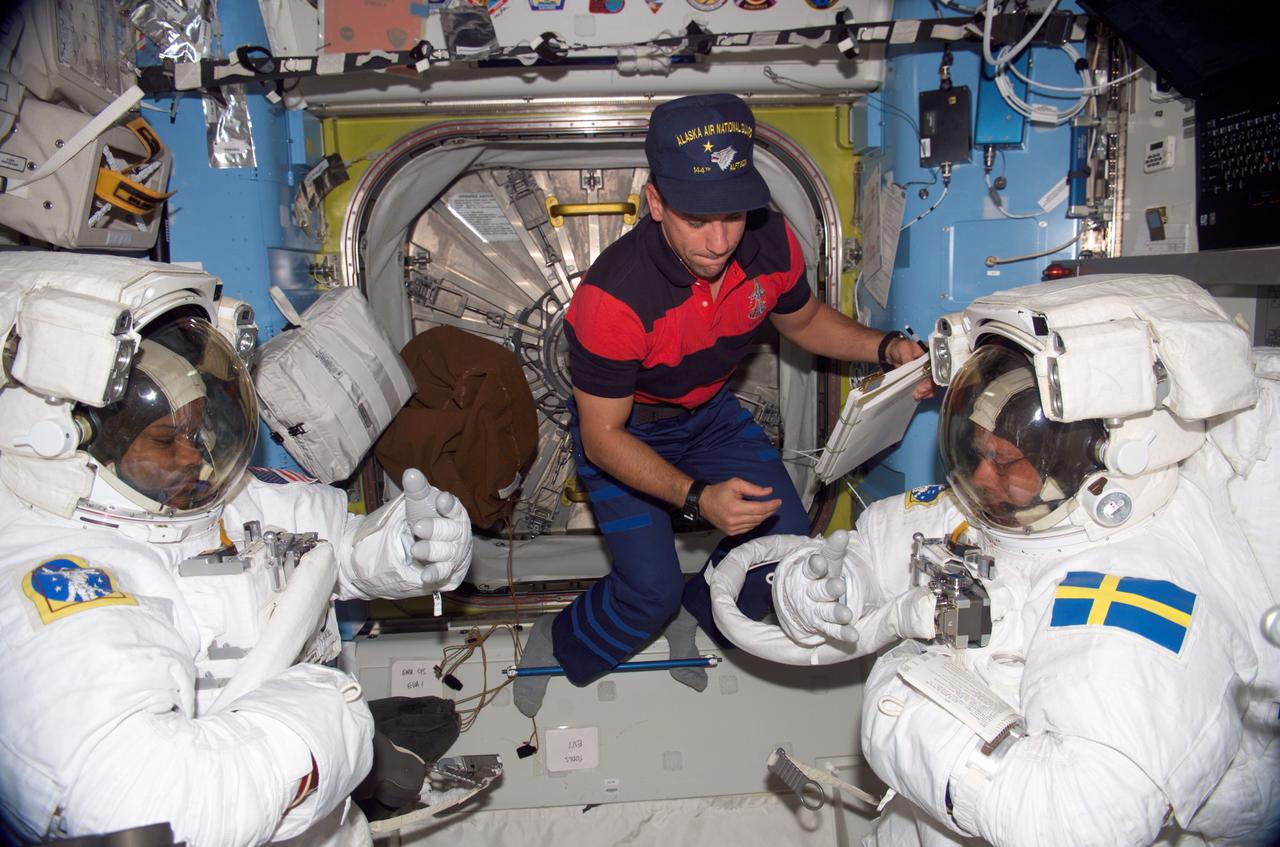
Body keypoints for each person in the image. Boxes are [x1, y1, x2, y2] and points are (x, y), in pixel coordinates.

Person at [711, 274, 1280, 846]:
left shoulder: (1138, 587)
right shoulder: (1006, 511)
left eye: (1006, 461)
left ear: (1088, 460)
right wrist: (820, 591)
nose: (982, 478)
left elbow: (1078, 820)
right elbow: (872, 554)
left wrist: (899, 702)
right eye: (978, 453)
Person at [0, 252, 474, 846]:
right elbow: (139, 809)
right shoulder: (49, 579)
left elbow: (336, 550)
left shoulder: (197, 499)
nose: (194, 456)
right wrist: (325, 714)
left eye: (199, 430)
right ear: (74, 444)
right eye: (166, 438)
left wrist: (409, 548)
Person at [513, 92, 929, 716]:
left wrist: (887, 348)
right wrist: (695, 498)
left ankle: (700, 612)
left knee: (786, 549)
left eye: (732, 215)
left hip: (709, 417)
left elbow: (805, 320)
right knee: (647, 591)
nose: (718, 241)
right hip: (628, 433)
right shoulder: (613, 299)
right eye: (695, 217)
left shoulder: (770, 242)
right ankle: (560, 639)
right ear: (655, 202)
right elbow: (601, 437)